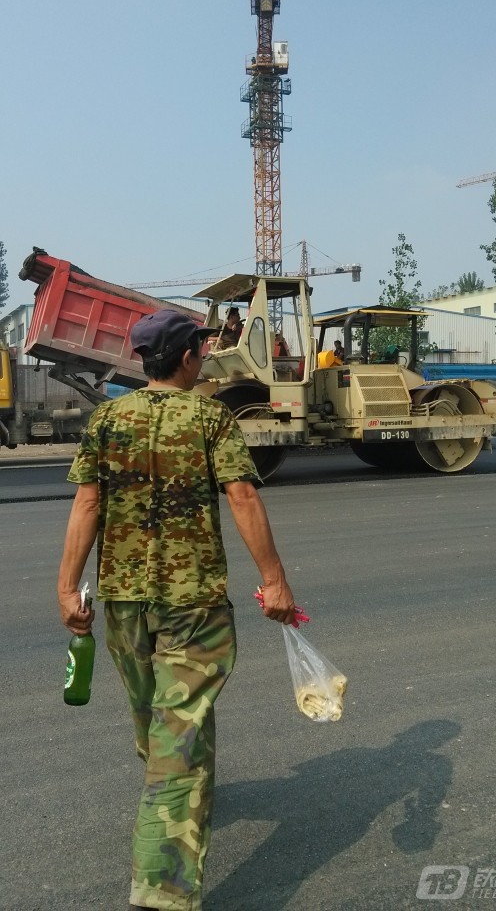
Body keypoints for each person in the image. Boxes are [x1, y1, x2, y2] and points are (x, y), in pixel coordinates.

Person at [57, 309, 296, 911]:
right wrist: (274, 582)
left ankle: (166, 781)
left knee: (154, 715)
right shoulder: (212, 418)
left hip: (124, 600)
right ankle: (161, 888)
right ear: (188, 357)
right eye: (201, 347)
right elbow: (241, 496)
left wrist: (67, 588)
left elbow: (87, 504)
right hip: (192, 602)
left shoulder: (108, 419)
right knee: (180, 735)